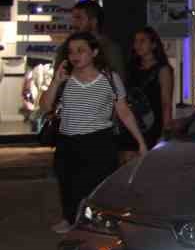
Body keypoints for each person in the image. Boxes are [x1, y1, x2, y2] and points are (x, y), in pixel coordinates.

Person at [41, 31, 147, 233]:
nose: (75, 56)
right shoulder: (65, 78)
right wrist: (55, 83)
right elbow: (45, 107)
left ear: (94, 52)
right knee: (68, 184)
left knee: (98, 186)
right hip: (68, 141)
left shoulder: (109, 77)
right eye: (71, 51)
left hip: (99, 140)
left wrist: (140, 142)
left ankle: (100, 223)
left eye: (81, 50)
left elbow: (123, 111)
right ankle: (70, 219)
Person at [121, 28, 175, 163]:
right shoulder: (131, 67)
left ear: (153, 44)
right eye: (135, 41)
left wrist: (166, 130)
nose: (137, 45)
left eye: (142, 41)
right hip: (130, 123)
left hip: (151, 124)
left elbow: (166, 102)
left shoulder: (162, 69)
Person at [58, 0, 125, 77]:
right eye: (73, 18)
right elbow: (57, 79)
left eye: (79, 18)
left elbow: (117, 83)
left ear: (93, 21)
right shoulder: (66, 47)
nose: (74, 23)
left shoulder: (110, 49)